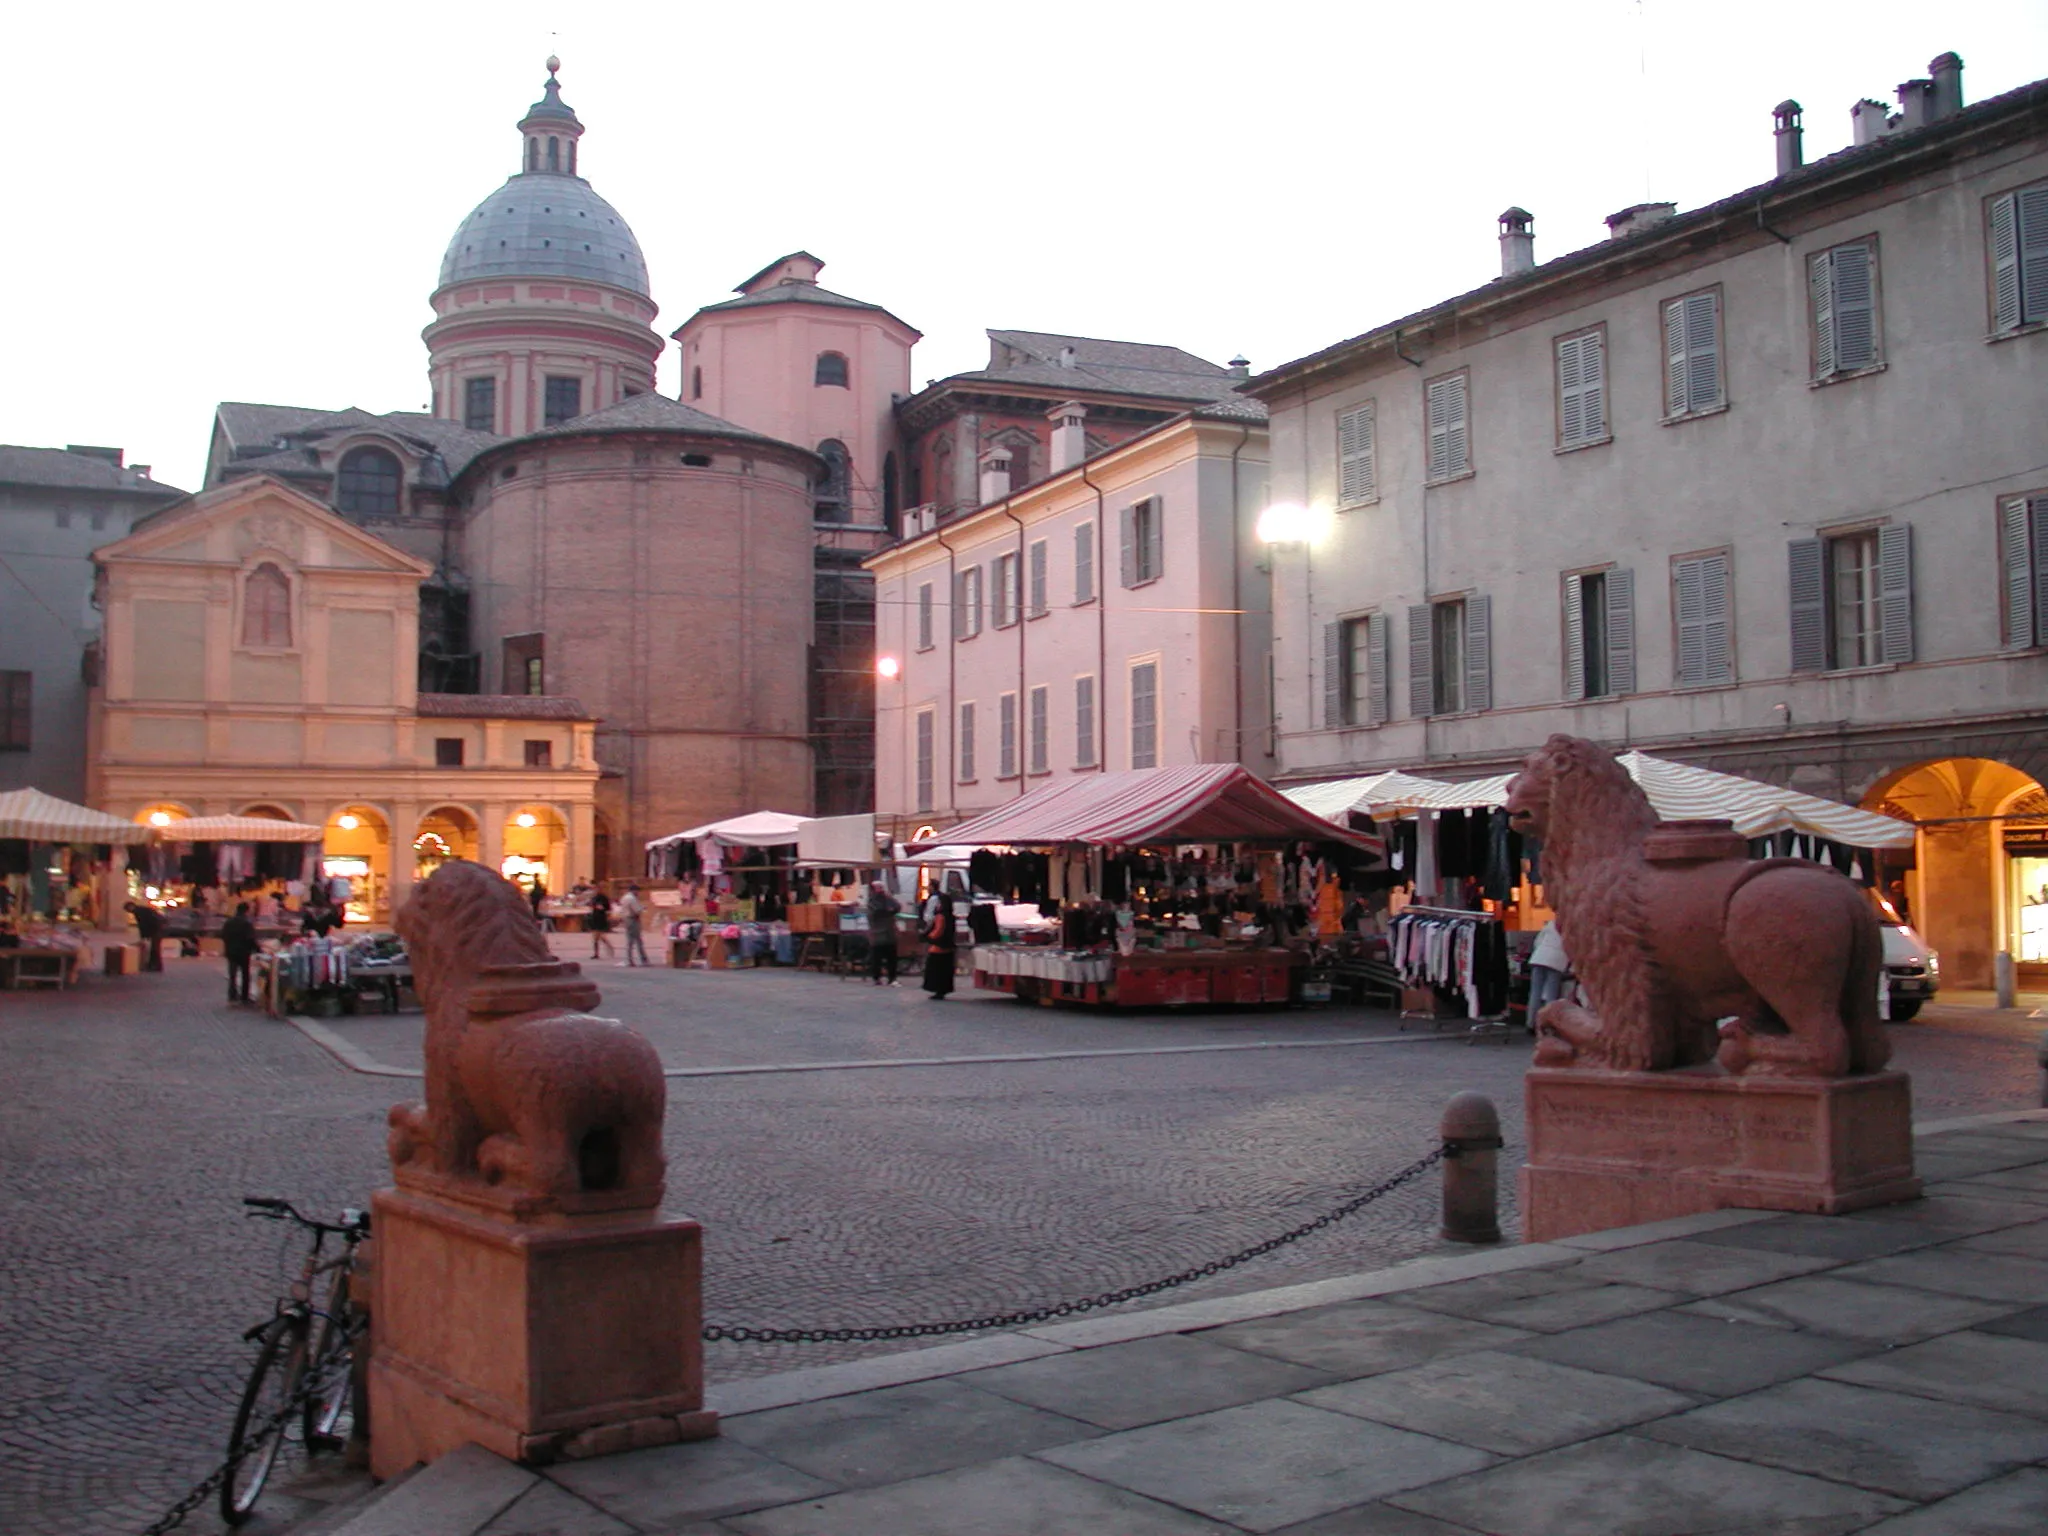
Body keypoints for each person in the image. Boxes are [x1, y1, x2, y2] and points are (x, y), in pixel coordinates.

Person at [1527, 920, 1569, 1024]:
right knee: (1551, 994)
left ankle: (1531, 1022)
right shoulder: (1572, 928)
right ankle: (1546, 1023)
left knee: (1535, 993)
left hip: (1539, 957)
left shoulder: (1551, 923)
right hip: (1556, 960)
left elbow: (1538, 941)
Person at [920, 890, 957, 1000]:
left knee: (936, 970)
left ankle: (937, 990)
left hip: (938, 947)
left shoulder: (940, 916)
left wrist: (928, 937)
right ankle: (943, 990)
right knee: (945, 971)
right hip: (949, 947)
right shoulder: (951, 915)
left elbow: (938, 931)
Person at [221, 901, 259, 1005]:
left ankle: (232, 995)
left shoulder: (228, 922)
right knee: (245, 974)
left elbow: (223, 935)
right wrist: (258, 949)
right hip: (243, 952)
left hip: (231, 951)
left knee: (232, 974)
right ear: (246, 911)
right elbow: (250, 939)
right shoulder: (246, 923)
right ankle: (244, 997)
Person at [865, 880, 901, 985]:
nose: (881, 890)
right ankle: (877, 977)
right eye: (878, 887)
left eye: (881, 887)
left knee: (891, 957)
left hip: (889, 933)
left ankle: (892, 977)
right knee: (877, 958)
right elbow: (877, 911)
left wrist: (889, 909)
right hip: (878, 934)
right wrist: (889, 910)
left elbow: (897, 907)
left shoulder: (887, 898)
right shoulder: (872, 901)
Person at [127, 901, 164, 972]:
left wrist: (143, 936)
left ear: (131, 907)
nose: (129, 912)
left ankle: (156, 966)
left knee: (155, 948)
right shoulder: (140, 910)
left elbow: (142, 924)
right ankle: (153, 965)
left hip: (156, 928)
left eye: (128, 910)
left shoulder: (138, 912)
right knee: (154, 948)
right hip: (157, 927)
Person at [618, 883, 648, 967]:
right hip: (632, 919)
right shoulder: (632, 899)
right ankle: (641, 959)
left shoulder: (624, 897)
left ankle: (630, 959)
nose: (638, 893)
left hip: (626, 919)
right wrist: (643, 908)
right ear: (634, 891)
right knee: (637, 941)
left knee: (630, 940)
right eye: (637, 891)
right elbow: (637, 910)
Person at [588, 886, 615, 960]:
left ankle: (609, 947)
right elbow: (591, 905)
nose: (596, 891)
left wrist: (604, 910)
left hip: (601, 918)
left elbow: (608, 908)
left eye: (597, 889)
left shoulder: (604, 898)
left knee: (601, 937)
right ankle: (596, 953)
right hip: (594, 918)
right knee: (595, 938)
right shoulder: (594, 898)